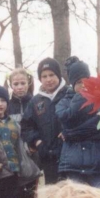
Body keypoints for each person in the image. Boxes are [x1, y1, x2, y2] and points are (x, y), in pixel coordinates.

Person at [56, 56, 100, 189]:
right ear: (72, 84)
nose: (84, 85)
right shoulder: (63, 103)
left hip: (97, 165)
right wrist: (80, 97)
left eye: (86, 81)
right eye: (79, 82)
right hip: (73, 165)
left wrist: (69, 135)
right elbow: (67, 119)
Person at [21, 57, 69, 185]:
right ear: (40, 79)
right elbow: (26, 126)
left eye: (51, 75)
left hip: (70, 156)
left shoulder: (70, 94)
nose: (48, 79)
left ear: (58, 75)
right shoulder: (35, 101)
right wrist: (37, 141)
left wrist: (68, 132)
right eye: (44, 76)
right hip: (49, 158)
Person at [7, 67, 39, 198]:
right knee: (16, 193)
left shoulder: (35, 102)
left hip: (32, 154)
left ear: (29, 83)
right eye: (16, 84)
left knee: (33, 193)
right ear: (10, 85)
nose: (19, 87)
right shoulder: (7, 104)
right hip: (14, 153)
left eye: (22, 83)